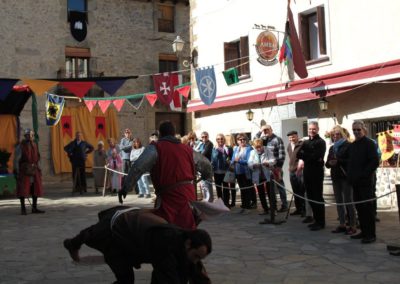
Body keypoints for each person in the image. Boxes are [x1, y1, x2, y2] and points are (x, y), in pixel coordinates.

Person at [63, 206, 212, 284]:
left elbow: (195, 272)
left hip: (136, 232)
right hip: (116, 235)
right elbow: (167, 278)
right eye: (196, 256)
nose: (196, 260)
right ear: (188, 244)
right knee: (125, 280)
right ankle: (71, 244)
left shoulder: (185, 245)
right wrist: (74, 244)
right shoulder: (165, 243)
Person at [121, 121, 213, 230]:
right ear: (174, 133)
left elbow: (138, 167)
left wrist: (126, 187)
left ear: (160, 133)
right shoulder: (188, 150)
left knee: (166, 229)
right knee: (187, 228)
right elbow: (206, 165)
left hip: (168, 197)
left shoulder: (155, 148)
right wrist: (206, 176)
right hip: (188, 195)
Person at [347, 120, 379, 244]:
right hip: (355, 183)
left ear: (363, 129)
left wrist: (363, 175)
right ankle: (364, 232)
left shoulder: (369, 144)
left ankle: (371, 234)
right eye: (354, 130)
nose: (356, 132)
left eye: (358, 129)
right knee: (359, 208)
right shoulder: (353, 145)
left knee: (368, 209)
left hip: (366, 183)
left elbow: (374, 162)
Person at [325, 125, 357, 235]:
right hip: (335, 177)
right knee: (339, 201)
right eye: (333, 135)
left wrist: (338, 161)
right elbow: (327, 163)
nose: (335, 136)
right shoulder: (332, 148)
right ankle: (342, 224)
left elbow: (351, 161)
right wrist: (330, 163)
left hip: (345, 177)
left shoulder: (348, 145)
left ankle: (353, 225)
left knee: (349, 201)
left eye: (337, 134)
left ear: (342, 134)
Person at [297, 121, 326, 231]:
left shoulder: (321, 142)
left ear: (317, 129)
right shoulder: (305, 142)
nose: (311, 131)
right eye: (310, 129)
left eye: (314, 129)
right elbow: (299, 154)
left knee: (317, 197)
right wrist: (308, 156)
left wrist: (306, 155)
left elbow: (317, 156)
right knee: (310, 197)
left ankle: (321, 222)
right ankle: (316, 219)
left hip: (317, 173)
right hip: (307, 172)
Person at [13, 129, 44, 215]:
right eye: (28, 135)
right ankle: (23, 209)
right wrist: (16, 170)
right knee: (23, 189)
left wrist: (39, 168)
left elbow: (38, 157)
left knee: (35, 188)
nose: (30, 137)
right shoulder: (20, 146)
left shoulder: (35, 144)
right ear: (25, 136)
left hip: (34, 168)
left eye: (31, 135)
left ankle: (34, 208)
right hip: (24, 169)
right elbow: (16, 159)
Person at [260, 125, 288, 212]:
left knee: (280, 187)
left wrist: (279, 167)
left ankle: (284, 205)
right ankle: (273, 206)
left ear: (271, 129)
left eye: (267, 130)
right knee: (270, 189)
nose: (265, 132)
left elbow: (282, 155)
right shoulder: (264, 140)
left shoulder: (277, 139)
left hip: (276, 167)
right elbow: (262, 152)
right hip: (266, 168)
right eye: (263, 130)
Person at [248, 138, 274, 215]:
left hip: (267, 175)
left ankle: (273, 209)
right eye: (256, 147)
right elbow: (249, 163)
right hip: (258, 175)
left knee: (270, 193)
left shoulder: (267, 150)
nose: (258, 149)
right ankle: (265, 209)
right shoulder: (252, 152)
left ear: (262, 145)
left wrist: (268, 163)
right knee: (261, 193)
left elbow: (273, 160)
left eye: (259, 147)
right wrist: (253, 165)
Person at [231, 133, 254, 213]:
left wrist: (239, 161)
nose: (242, 141)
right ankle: (243, 206)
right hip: (238, 172)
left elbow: (249, 161)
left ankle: (248, 207)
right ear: (237, 141)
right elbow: (233, 158)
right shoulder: (236, 148)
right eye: (240, 139)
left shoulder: (249, 148)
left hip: (246, 172)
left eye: (244, 139)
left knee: (247, 189)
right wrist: (232, 162)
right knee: (242, 189)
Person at [286, 130, 305, 216]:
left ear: (297, 136)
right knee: (295, 191)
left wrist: (299, 167)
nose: (292, 139)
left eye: (293, 137)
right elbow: (291, 158)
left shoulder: (301, 144)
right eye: (290, 137)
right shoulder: (289, 146)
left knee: (302, 190)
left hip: (300, 171)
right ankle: (298, 209)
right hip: (292, 171)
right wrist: (290, 166)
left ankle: (304, 210)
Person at [211, 133, 233, 206]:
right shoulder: (214, 148)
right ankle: (220, 203)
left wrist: (229, 161)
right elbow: (212, 159)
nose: (220, 140)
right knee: (218, 188)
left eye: (221, 138)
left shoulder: (228, 148)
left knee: (226, 188)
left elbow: (231, 159)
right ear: (216, 140)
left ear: (224, 139)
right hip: (216, 171)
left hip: (225, 171)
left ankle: (226, 203)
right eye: (218, 139)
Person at [195, 131, 214, 201]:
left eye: (205, 136)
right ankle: (206, 199)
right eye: (202, 137)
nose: (204, 138)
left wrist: (198, 153)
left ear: (208, 137)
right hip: (202, 167)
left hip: (207, 167)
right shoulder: (202, 144)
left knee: (207, 185)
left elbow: (203, 154)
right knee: (203, 185)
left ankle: (209, 200)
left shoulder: (209, 144)